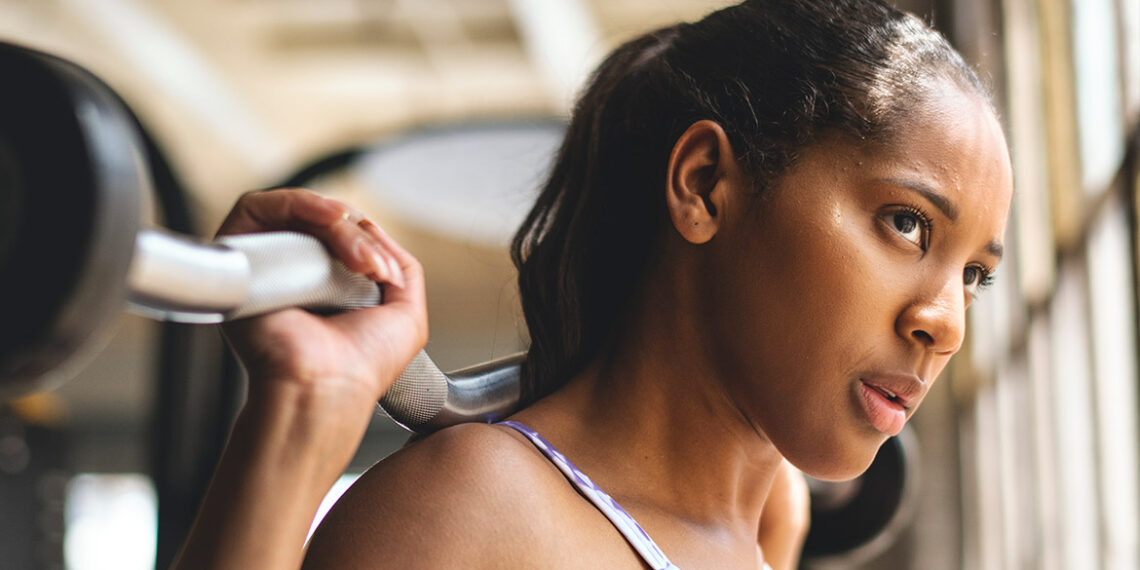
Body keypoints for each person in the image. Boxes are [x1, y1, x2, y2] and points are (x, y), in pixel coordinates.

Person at [172, 0, 1013, 568]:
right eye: (907, 224)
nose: (946, 323)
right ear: (705, 185)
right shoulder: (476, 510)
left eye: (975, 274)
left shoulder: (763, 536)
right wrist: (307, 407)